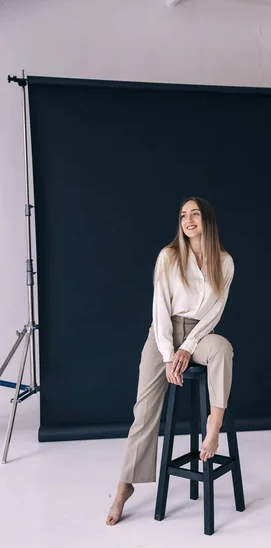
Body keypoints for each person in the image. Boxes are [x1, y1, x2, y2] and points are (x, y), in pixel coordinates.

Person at [106, 197, 234, 526]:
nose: (188, 220)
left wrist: (188, 347)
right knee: (145, 410)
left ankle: (213, 427)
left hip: (200, 333)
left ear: (207, 219)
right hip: (163, 332)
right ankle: (124, 486)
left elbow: (214, 314)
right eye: (183, 216)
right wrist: (168, 354)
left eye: (194, 214)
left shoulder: (225, 262)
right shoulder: (170, 256)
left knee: (222, 348)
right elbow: (160, 309)